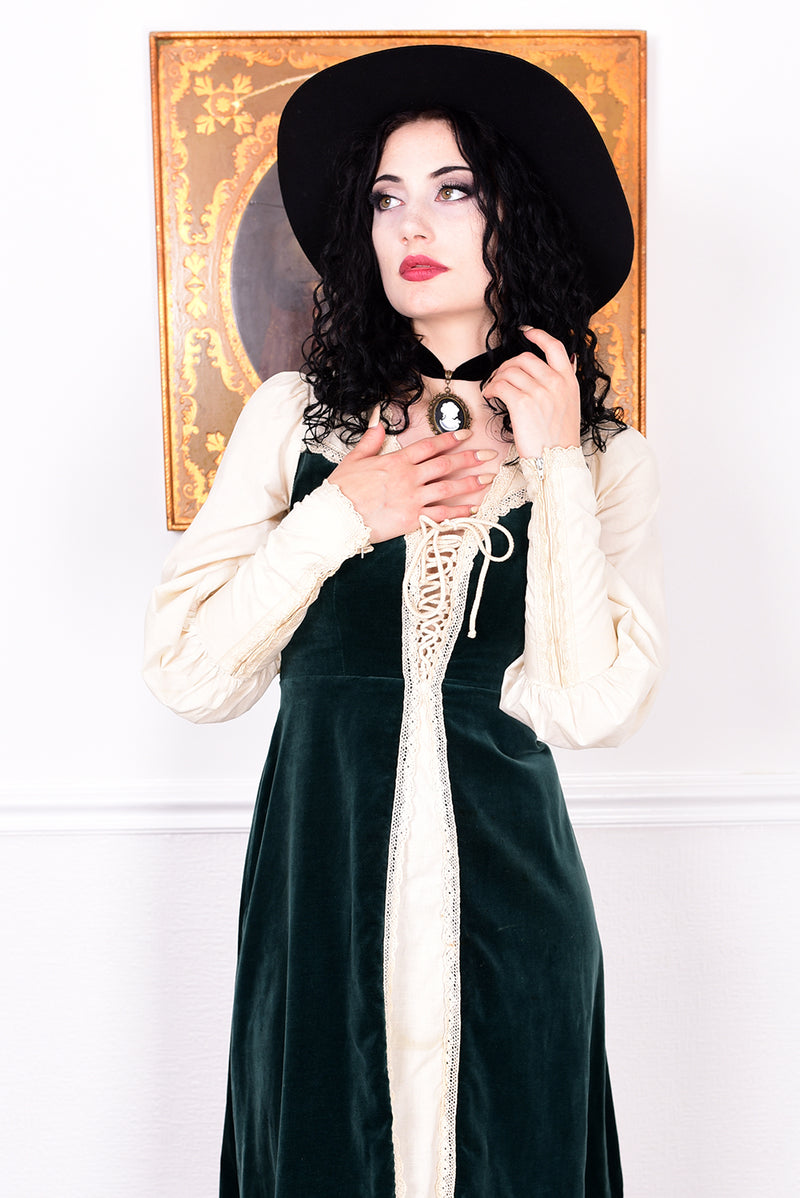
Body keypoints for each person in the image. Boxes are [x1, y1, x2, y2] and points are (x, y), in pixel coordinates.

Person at [144, 44, 665, 1198]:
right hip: (319, 894)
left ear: (510, 215)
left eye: (450, 189)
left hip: (513, 919)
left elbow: (591, 706)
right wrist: (340, 515)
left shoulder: (598, 457)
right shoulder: (295, 422)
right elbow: (188, 673)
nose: (407, 224)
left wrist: (555, 467)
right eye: (384, 195)